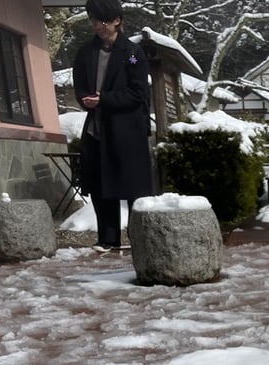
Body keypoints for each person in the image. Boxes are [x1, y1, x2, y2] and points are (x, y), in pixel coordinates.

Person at [73, 0, 153, 252]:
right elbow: (80, 86)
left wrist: (104, 99)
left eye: (104, 20)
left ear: (117, 20)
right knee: (99, 184)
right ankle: (107, 239)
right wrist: (86, 100)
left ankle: (139, 238)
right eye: (95, 20)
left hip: (127, 130)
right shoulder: (85, 52)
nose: (99, 25)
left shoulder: (131, 53)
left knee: (133, 186)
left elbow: (139, 93)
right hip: (97, 129)